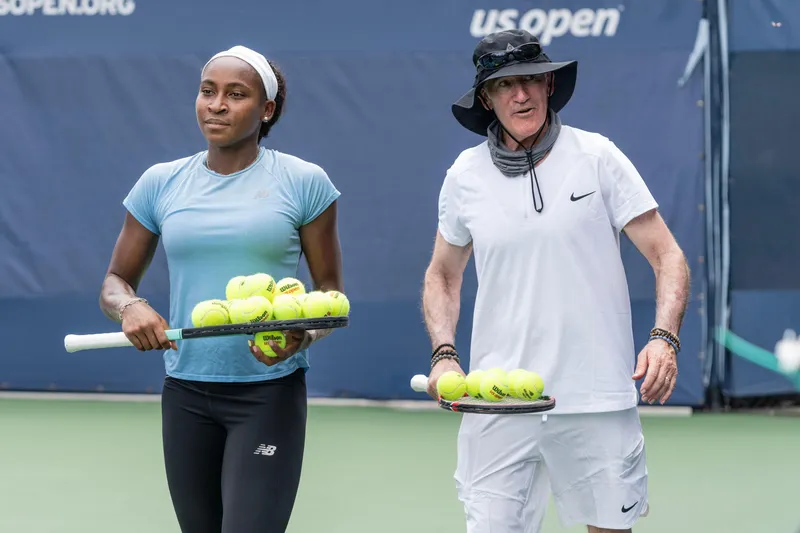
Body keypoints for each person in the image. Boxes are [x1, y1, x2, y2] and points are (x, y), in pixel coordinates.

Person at [421, 29, 690, 533]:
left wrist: (663, 337)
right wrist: (443, 352)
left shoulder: (598, 157)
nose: (520, 94)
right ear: (486, 99)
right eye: (505, 85)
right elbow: (442, 274)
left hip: (596, 400)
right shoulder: (464, 175)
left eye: (530, 80)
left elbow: (668, 255)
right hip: (498, 403)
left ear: (548, 85)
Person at [98, 45, 343, 533]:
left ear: (266, 110)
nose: (217, 105)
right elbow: (114, 282)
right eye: (208, 91)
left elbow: (331, 297)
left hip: (268, 395)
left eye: (236, 94)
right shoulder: (159, 183)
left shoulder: (305, 183)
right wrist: (131, 306)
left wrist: (304, 334)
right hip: (185, 393)